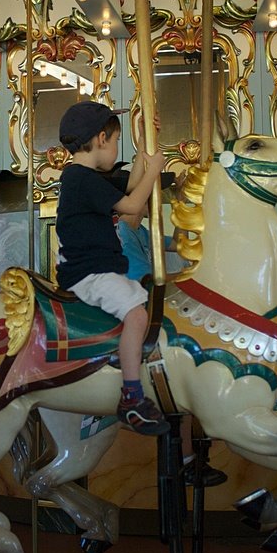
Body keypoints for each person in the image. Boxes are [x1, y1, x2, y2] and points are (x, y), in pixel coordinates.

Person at [56, 101, 169, 436]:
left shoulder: (83, 177)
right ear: (102, 139)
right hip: (90, 274)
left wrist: (142, 151)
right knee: (137, 315)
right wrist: (154, 169)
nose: (115, 148)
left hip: (97, 270)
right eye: (117, 141)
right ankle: (131, 398)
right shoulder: (80, 179)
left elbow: (129, 192)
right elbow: (135, 204)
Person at [116, 182, 228, 486]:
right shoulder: (122, 231)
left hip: (150, 298)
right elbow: (141, 272)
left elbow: (178, 245)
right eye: (145, 199)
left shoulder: (141, 230)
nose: (148, 204)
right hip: (138, 299)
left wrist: (183, 210)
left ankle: (190, 457)